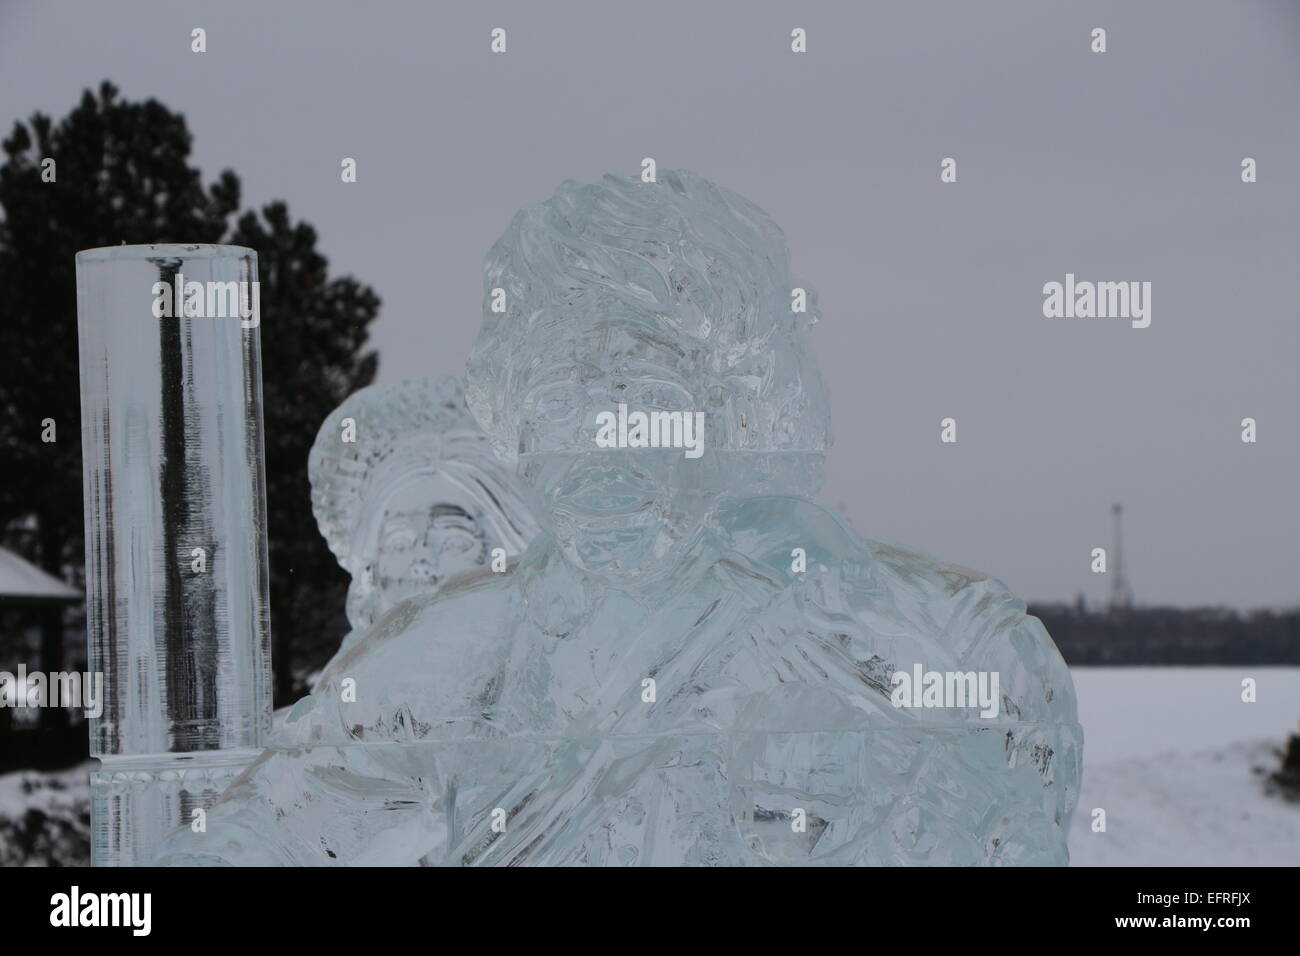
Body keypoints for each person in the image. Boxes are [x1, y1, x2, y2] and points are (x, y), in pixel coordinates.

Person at [156, 170, 1080, 866]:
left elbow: (1013, 822)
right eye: (559, 398)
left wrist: (859, 630)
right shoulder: (463, 651)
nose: (599, 446)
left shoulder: (945, 629)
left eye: (642, 396)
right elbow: (254, 832)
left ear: (735, 414)